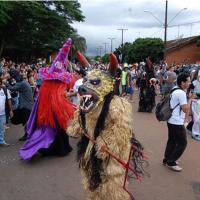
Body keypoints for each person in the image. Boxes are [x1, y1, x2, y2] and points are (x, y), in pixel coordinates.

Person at [163, 73, 195, 172]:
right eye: (188, 81)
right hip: (176, 121)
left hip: (171, 120)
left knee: (172, 140)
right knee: (182, 143)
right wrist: (190, 99)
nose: (190, 83)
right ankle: (171, 161)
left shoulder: (175, 89)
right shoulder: (181, 93)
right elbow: (185, 109)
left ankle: (167, 158)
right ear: (182, 83)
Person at [6, 69, 34, 141]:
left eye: (13, 77)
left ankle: (29, 136)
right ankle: (28, 135)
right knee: (25, 121)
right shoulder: (23, 82)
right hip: (27, 105)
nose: (13, 79)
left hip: (26, 106)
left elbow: (11, 88)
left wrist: (5, 82)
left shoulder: (22, 84)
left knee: (26, 122)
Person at [0, 77, 13, 146]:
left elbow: (9, 99)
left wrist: (11, 110)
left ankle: (1, 141)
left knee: (2, 128)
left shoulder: (4, 89)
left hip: (2, 113)